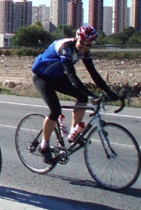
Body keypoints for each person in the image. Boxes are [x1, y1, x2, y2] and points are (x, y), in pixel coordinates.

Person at [31, 24, 119, 163]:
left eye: (88, 45)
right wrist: (92, 95)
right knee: (55, 110)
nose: (84, 47)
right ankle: (44, 145)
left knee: (82, 97)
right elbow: (72, 76)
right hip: (42, 77)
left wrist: (110, 92)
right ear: (77, 39)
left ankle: (73, 132)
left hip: (57, 76)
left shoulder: (84, 52)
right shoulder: (66, 47)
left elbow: (94, 74)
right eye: (82, 43)